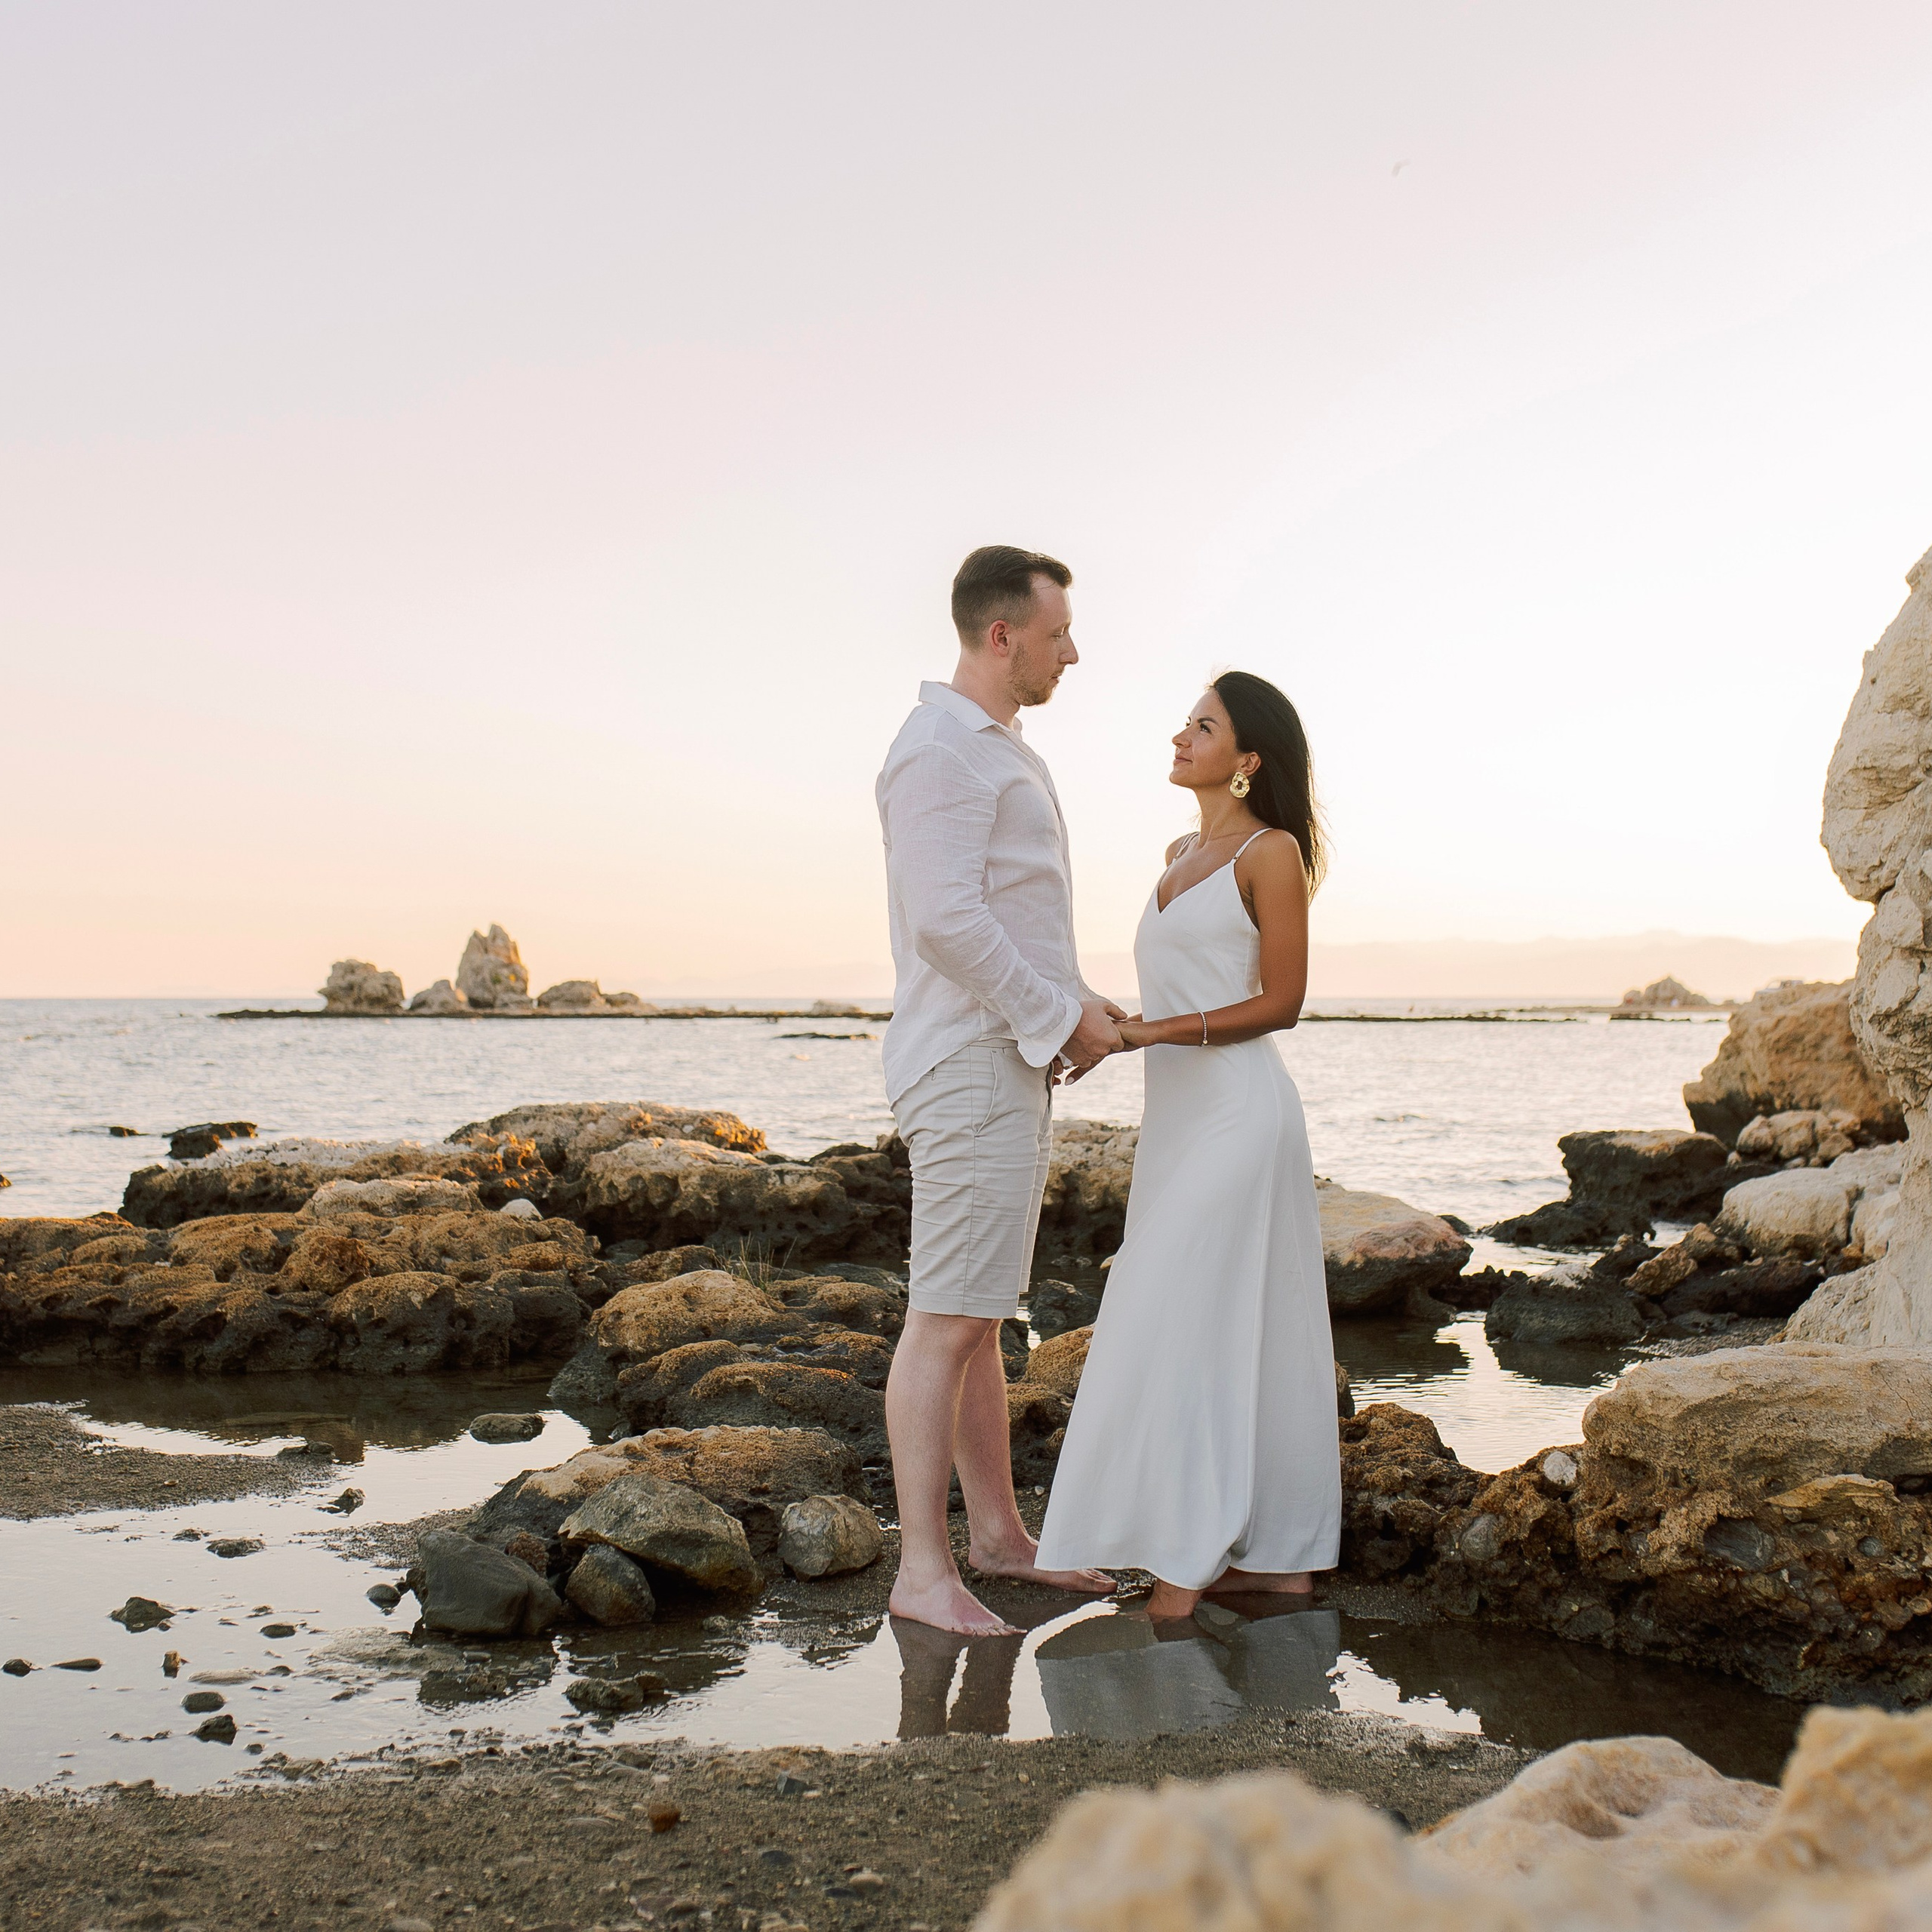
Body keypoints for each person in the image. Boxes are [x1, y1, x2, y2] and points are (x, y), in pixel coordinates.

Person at [1034, 671, 1343, 1619]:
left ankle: (1187, 1560)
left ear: (1246, 759)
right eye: (1185, 722)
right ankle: (1276, 1560)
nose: (1180, 737)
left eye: (1202, 727)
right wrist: (1105, 1025)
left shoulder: (1270, 851)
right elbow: (1176, 992)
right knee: (1214, 1321)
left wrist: (1146, 1035)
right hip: (1177, 1124)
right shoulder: (1175, 853)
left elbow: (1281, 1002)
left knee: (1192, 1318)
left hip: (1242, 1117)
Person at [875, 545, 1123, 1635]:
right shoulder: (941, 749)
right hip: (971, 1061)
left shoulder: (995, 747)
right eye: (1058, 633)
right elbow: (946, 922)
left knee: (978, 1316)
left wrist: (1077, 1001)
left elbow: (1013, 916)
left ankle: (998, 1538)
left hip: (998, 1056)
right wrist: (1055, 1016)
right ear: (1001, 633)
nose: (1074, 652)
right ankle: (922, 1574)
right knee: (945, 1319)